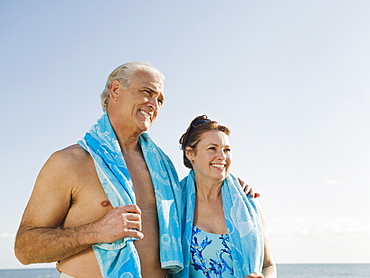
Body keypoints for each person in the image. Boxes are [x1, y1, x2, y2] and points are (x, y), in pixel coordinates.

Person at [14, 62, 184, 278]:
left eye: (159, 100)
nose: (154, 104)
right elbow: (24, 249)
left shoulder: (164, 169)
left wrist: (230, 185)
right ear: (115, 90)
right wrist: (97, 231)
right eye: (147, 92)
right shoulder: (70, 162)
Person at [174, 115, 277, 278]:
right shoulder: (173, 204)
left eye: (226, 149)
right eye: (212, 148)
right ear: (190, 153)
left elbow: (268, 265)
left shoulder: (249, 203)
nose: (222, 156)